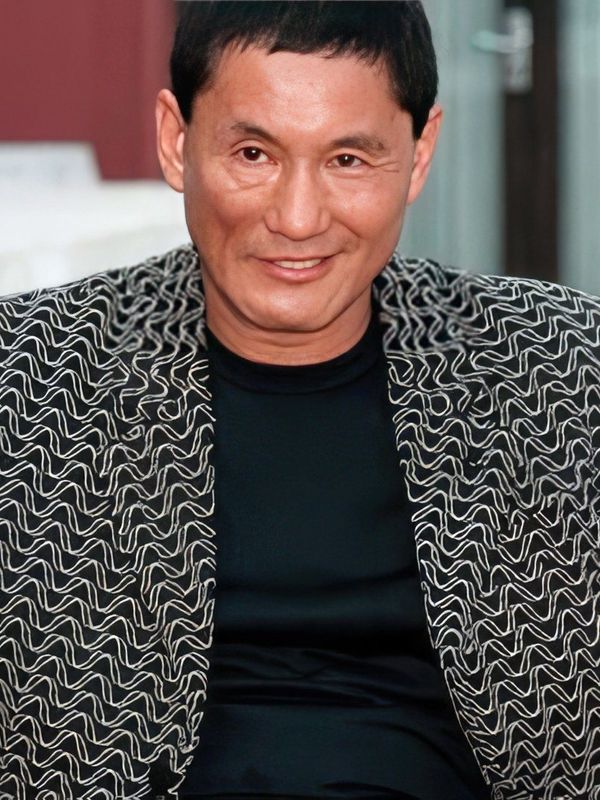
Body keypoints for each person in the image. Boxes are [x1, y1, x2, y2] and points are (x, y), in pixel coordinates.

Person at [0, 2, 598, 799]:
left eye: (349, 159)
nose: (297, 218)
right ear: (177, 141)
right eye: (254, 153)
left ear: (419, 156)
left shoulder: (560, 369)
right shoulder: (31, 375)